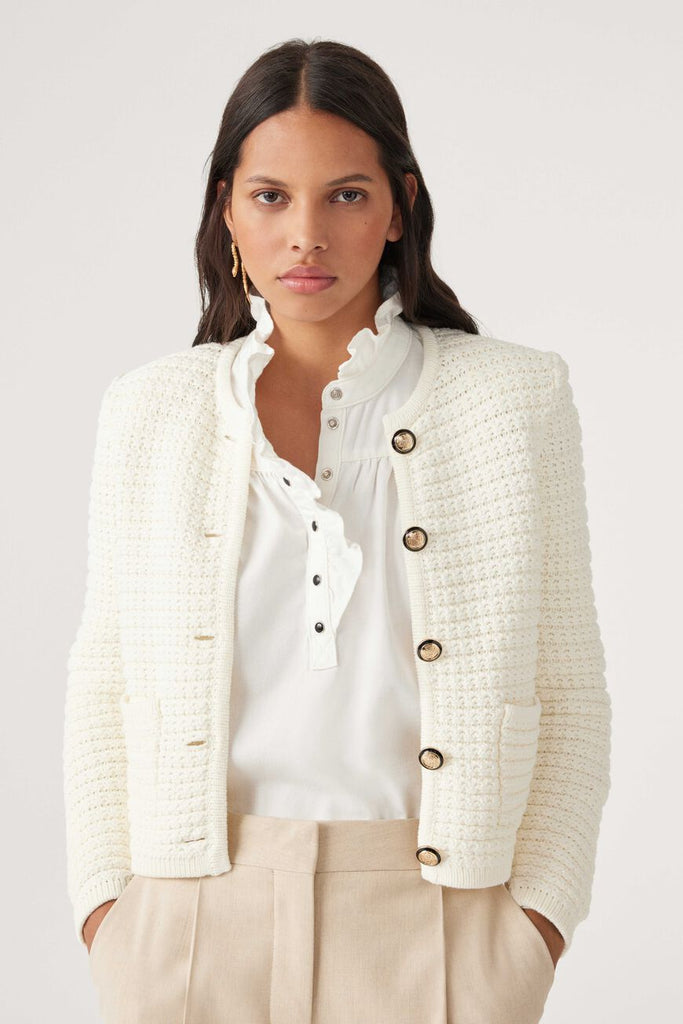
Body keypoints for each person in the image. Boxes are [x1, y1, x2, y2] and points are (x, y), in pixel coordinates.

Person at [63, 37, 611, 1024]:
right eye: (271, 196)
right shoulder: (150, 411)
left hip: (437, 921)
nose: (306, 235)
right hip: (189, 924)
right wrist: (113, 917)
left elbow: (567, 687)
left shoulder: (513, 402)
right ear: (226, 210)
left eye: (346, 195)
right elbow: (104, 681)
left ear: (398, 206)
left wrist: (530, 929)